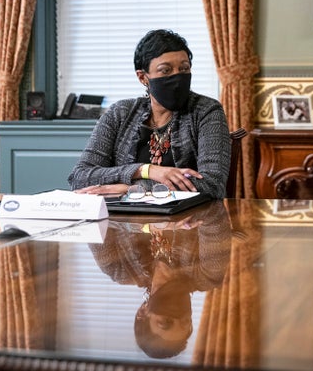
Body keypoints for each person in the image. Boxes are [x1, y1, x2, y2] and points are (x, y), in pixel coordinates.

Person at [68, 29, 231, 199]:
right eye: (166, 71)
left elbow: (212, 186)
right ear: (142, 77)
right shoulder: (120, 113)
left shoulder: (207, 111)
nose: (177, 77)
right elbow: (79, 178)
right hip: (122, 221)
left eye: (184, 69)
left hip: (186, 221)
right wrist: (145, 171)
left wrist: (129, 189)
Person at [89, 201, 231, 358]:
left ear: (143, 312)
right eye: (185, 322)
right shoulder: (208, 274)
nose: (179, 315)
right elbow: (210, 209)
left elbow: (93, 214)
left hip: (128, 185)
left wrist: (149, 224)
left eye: (166, 322)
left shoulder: (118, 268)